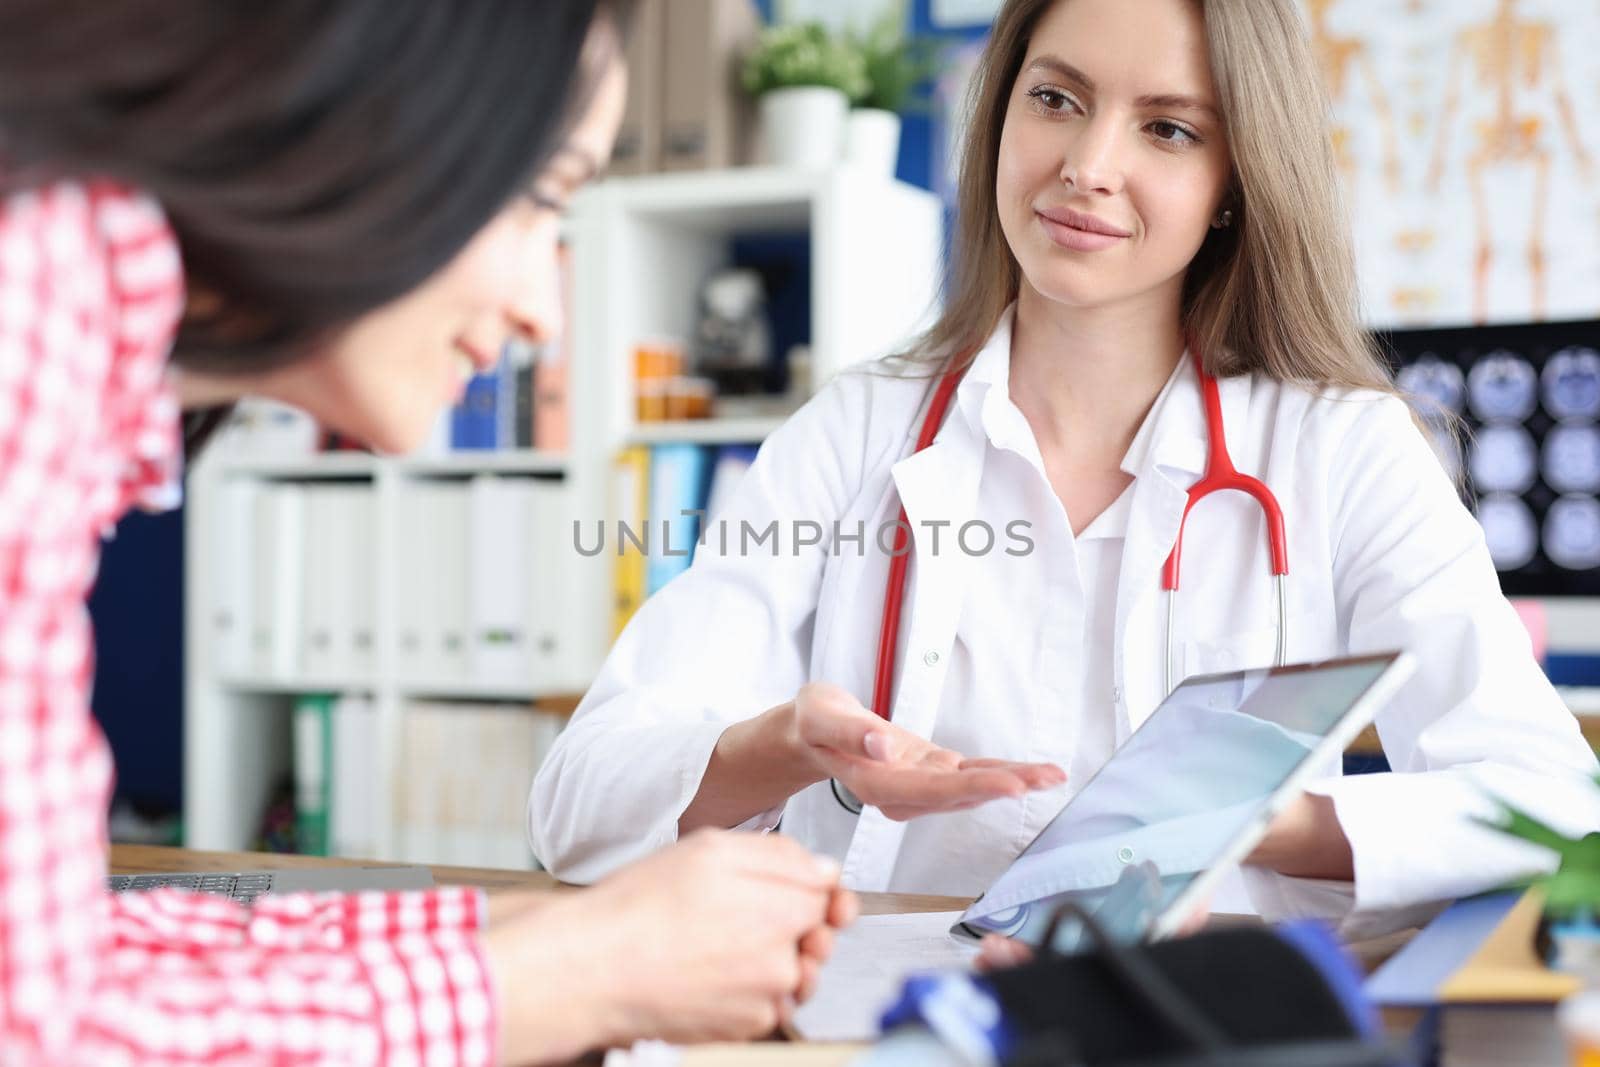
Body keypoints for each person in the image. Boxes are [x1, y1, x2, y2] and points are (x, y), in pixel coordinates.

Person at [530, 0, 1599, 936]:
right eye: (1056, 99)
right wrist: (785, 744)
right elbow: (575, 804)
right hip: (885, 1021)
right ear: (1000, 114)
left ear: (1237, 180)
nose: (1088, 164)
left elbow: (1548, 798)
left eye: (1168, 128)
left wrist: (1258, 821)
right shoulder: (854, 433)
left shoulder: (1342, 450)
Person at [0, 2, 853, 1064]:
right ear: (358, 95)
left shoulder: (67, 310)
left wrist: (528, 933)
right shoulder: (26, 307)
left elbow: (57, 947)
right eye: (541, 197)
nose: (547, 310)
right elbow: (40, 1032)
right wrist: (583, 974)